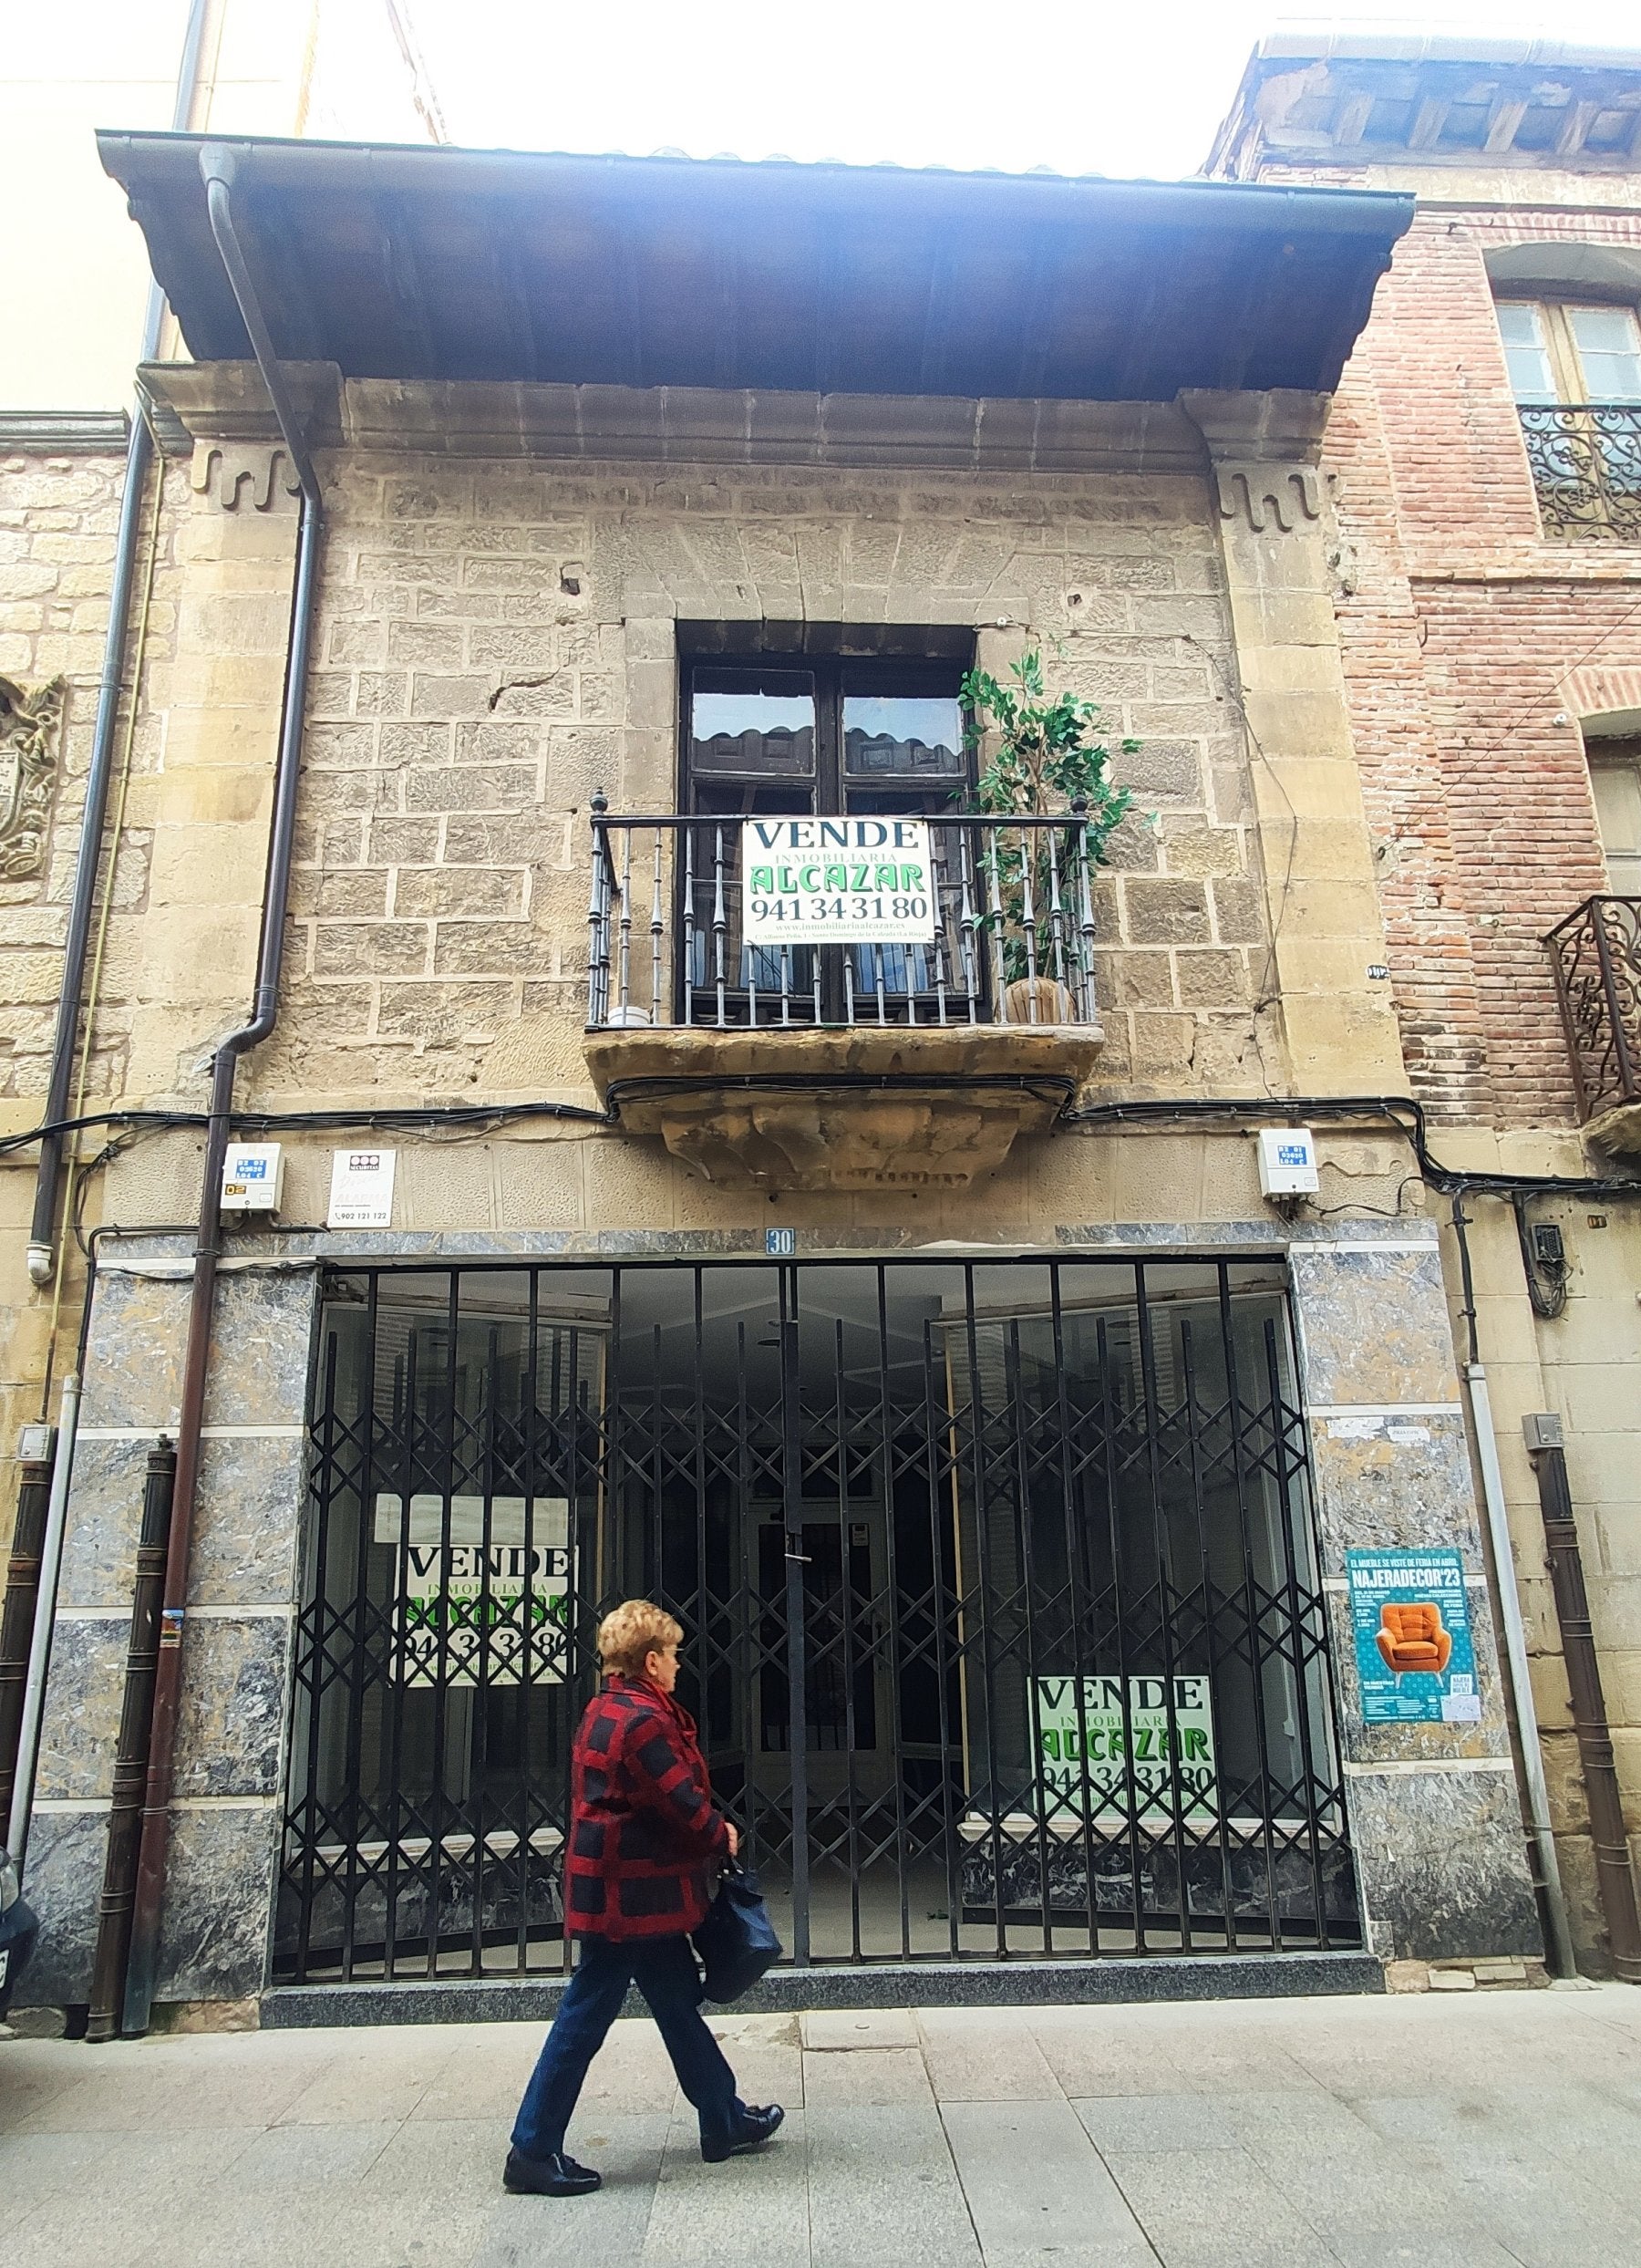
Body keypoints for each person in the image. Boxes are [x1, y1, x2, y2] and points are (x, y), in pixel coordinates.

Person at [504, 1599, 785, 2197]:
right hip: (624, 1899)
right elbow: (679, 1800)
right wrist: (722, 1833)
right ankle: (531, 2146)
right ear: (652, 1660)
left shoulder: (604, 1707)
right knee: (584, 2016)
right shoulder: (644, 1722)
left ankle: (723, 2115)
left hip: (631, 1892)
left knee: (677, 1999)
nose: (680, 1665)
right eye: (675, 1654)